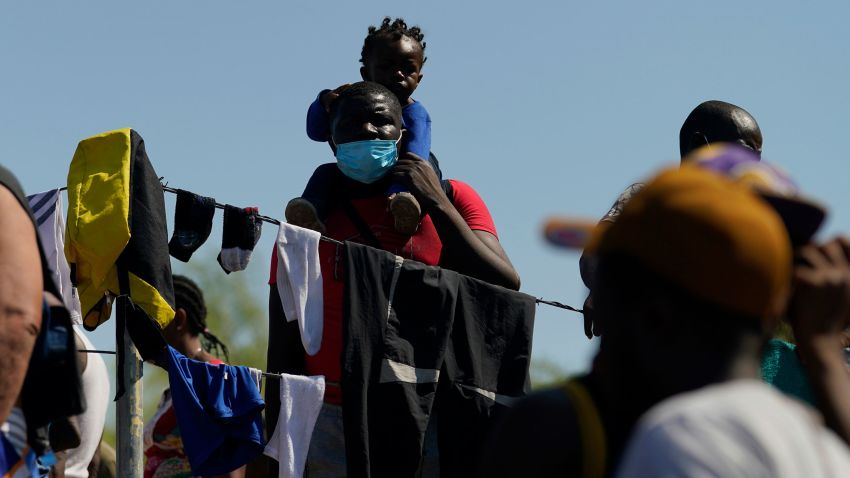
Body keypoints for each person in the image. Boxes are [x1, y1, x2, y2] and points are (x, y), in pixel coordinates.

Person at [478, 166, 850, 477]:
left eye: (606, 296)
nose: (592, 316)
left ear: (654, 315)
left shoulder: (676, 440)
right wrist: (824, 353)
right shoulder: (816, 443)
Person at [267, 81, 519, 476]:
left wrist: (434, 200)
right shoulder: (307, 221)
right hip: (330, 417)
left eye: (381, 121)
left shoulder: (454, 197)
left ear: (404, 134)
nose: (368, 131)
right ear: (332, 142)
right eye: (351, 123)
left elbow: (506, 283)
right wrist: (273, 448)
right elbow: (283, 343)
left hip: (429, 412)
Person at [581, 100, 763, 338]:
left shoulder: (749, 219)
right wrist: (605, 289)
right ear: (699, 147)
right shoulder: (648, 200)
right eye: (743, 156)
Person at [286, 17, 438, 236]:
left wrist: (402, 187)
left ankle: (406, 206)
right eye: (387, 66)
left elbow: (418, 152)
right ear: (366, 74)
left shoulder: (415, 113)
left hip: (398, 175)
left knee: (428, 164)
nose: (398, 74)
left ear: (419, 78)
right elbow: (316, 131)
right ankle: (311, 214)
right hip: (352, 177)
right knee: (325, 172)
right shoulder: (351, 101)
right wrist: (325, 102)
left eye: (407, 69)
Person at [143, 275, 239, 478]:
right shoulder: (178, 384)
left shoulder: (215, 378)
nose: (143, 335)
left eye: (153, 321)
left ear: (179, 319)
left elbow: (232, 466)